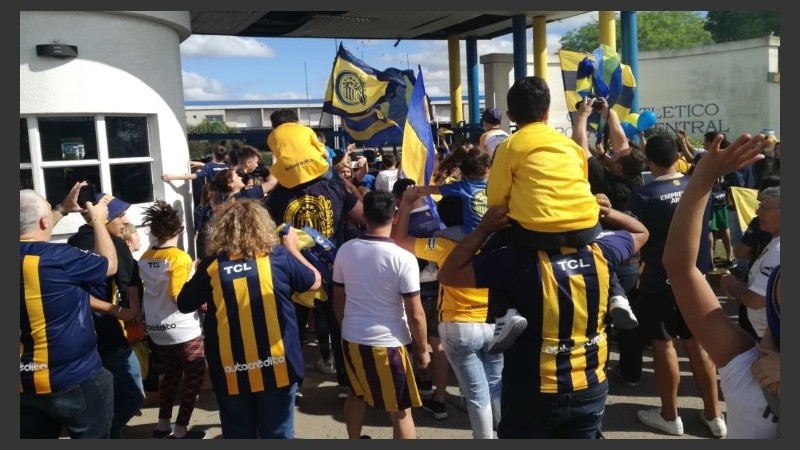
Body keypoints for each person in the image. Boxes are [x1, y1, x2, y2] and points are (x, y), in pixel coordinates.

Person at [437, 200, 649, 438]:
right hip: (591, 384)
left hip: (533, 389)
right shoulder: (602, 251)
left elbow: (449, 273)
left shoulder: (516, 261)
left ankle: (505, 315)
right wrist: (606, 211)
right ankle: (617, 299)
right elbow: (640, 231)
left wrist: (483, 229)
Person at [483, 76, 634, 353]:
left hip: (535, 233)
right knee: (597, 251)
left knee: (490, 249)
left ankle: (505, 312)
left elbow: (496, 200)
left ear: (510, 116)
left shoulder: (510, 146)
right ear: (546, 112)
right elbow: (581, 185)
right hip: (586, 227)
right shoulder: (571, 147)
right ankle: (617, 296)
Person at [662, 131, 779, 438]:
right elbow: (681, 269)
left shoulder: (747, 369)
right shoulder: (748, 365)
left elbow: (680, 268)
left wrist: (703, 177)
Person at [177, 199, 321, 438]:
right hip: (278, 364)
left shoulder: (213, 265)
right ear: (262, 225)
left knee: (237, 433)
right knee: (277, 433)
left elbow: (184, 303)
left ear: (221, 229)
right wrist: (293, 248)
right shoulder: (279, 256)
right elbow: (314, 281)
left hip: (230, 365)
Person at [626, 134, 726, 437]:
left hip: (659, 279)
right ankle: (715, 415)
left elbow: (634, 241)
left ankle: (670, 416)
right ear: (676, 157)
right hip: (697, 279)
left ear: (649, 160)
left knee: (663, 345)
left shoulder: (642, 195)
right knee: (698, 347)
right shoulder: (698, 185)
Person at [393, 186, 502, 438]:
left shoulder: (443, 244)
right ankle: (502, 431)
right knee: (495, 384)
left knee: (476, 394)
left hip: (459, 325)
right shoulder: (497, 241)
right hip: (495, 323)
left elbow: (399, 240)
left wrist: (407, 205)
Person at [266, 150, 367, 400]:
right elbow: (363, 216)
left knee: (293, 329)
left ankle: (293, 383)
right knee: (337, 323)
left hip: (292, 271)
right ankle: (345, 381)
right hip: (334, 269)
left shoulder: (278, 195)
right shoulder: (334, 187)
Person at [20, 185, 118, 438]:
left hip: (23, 386)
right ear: (44, 221)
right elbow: (109, 265)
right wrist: (97, 218)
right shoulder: (60, 258)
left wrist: (62, 209)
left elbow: (29, 227)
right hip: (74, 379)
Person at [332, 190, 429, 439]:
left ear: (363, 216)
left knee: (356, 393)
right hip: (390, 344)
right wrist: (422, 349)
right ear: (395, 217)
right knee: (400, 409)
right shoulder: (404, 258)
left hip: (352, 338)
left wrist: (347, 325)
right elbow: (415, 313)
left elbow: (339, 298)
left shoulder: (345, 250)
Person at [67, 192, 146, 439]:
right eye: (120, 215)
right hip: (105, 335)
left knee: (103, 396)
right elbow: (128, 281)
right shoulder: (100, 244)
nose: (125, 221)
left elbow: (129, 278)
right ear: (104, 217)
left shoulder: (77, 242)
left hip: (88, 336)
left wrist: (128, 308)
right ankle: (104, 432)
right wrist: (123, 310)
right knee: (133, 394)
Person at [138, 200, 207, 439]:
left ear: (154, 232)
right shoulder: (180, 257)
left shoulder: (145, 257)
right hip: (182, 327)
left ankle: (162, 424)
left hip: (157, 328)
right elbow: (179, 295)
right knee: (195, 377)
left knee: (172, 373)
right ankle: (180, 431)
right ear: (179, 231)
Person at [390, 179, 451, 420]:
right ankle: (440, 396)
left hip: (415, 285)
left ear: (398, 198)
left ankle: (426, 385)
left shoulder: (403, 221)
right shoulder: (437, 214)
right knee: (436, 339)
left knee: (420, 334)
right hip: (442, 284)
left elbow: (396, 244)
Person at [719, 186, 780, 340]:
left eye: (764, 208)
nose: (758, 212)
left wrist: (732, 285)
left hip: (772, 339)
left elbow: (756, 300)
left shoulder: (779, 251)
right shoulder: (775, 242)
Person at [267, 109, 330, 189]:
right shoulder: (306, 129)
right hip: (316, 169)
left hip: (289, 176)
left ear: (273, 126)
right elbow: (326, 154)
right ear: (297, 122)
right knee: (335, 179)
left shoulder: (271, 138)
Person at [161, 145, 229, 186]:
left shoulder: (209, 166)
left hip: (214, 195)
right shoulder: (227, 166)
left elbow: (193, 176)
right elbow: (216, 167)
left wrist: (170, 177)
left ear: (213, 154)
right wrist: (202, 165)